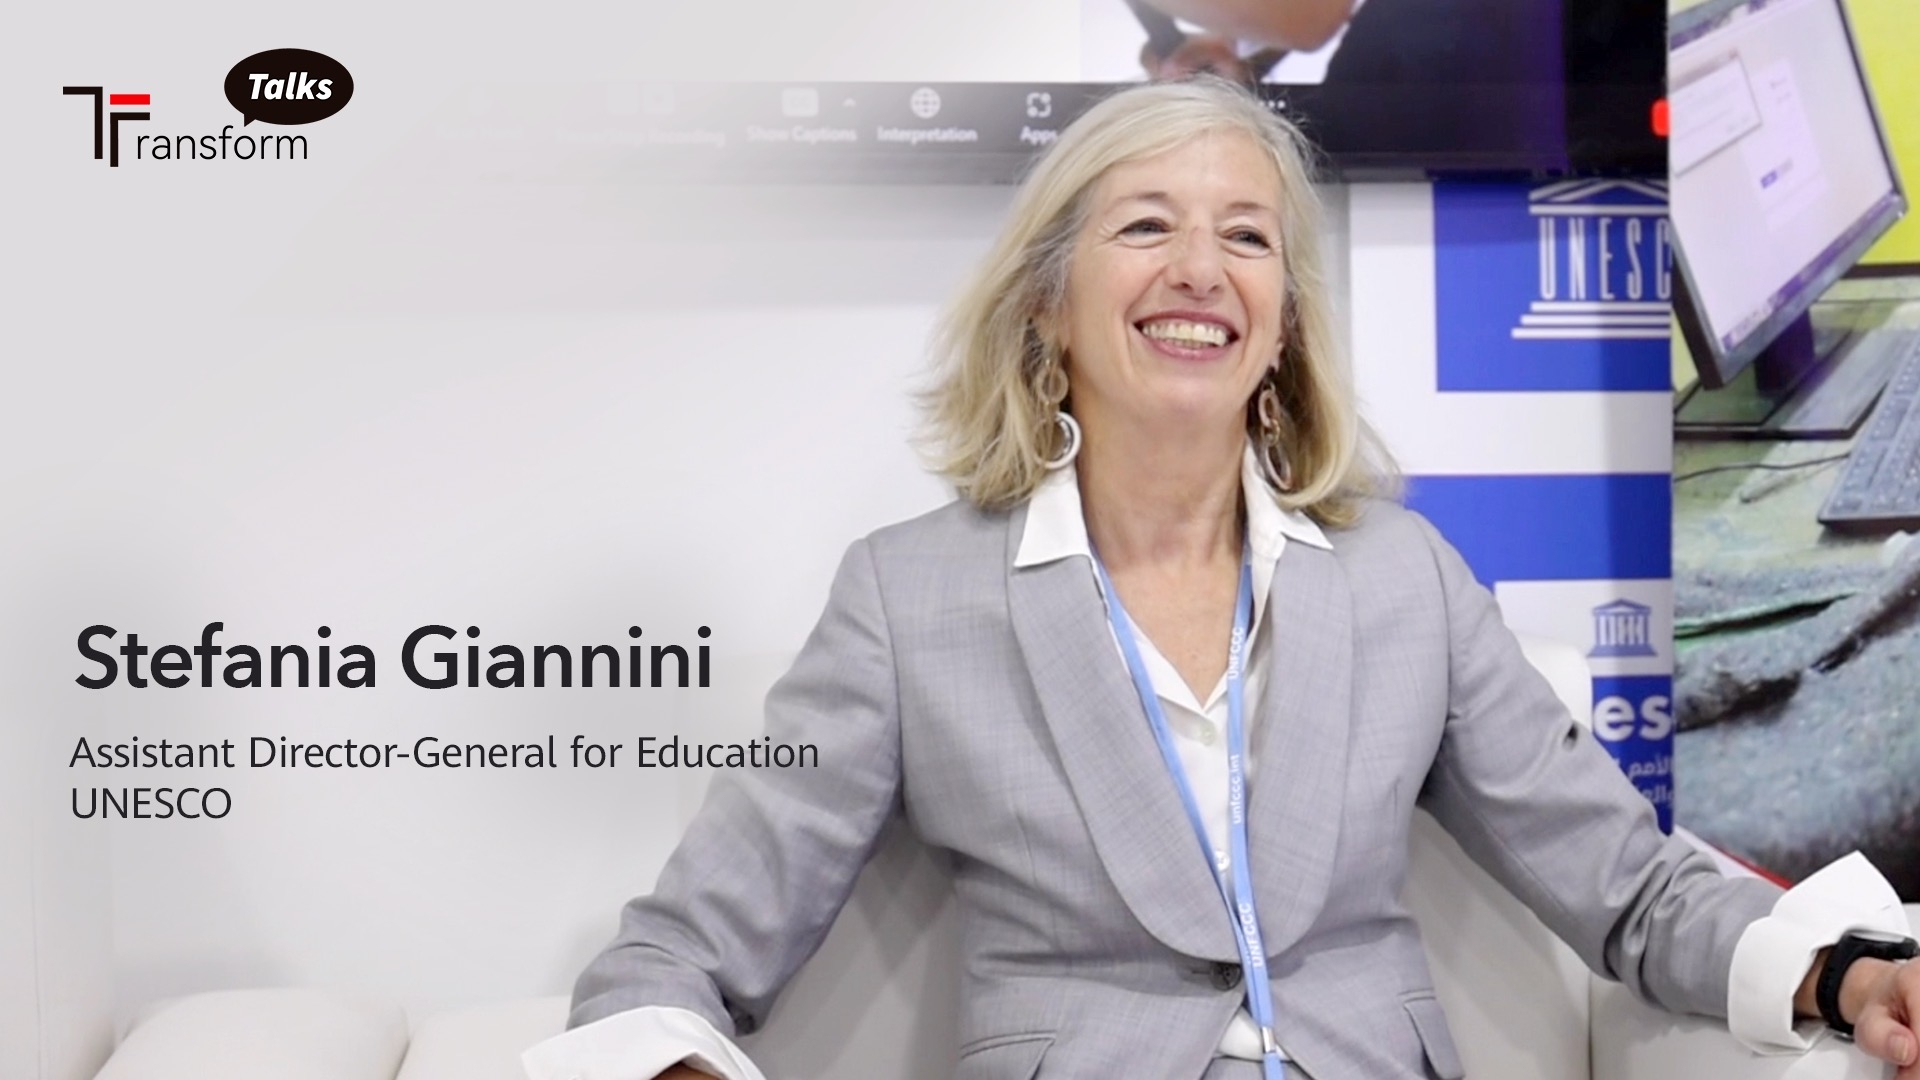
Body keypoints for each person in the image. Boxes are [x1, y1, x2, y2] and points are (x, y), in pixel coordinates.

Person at [524, 78, 1920, 1080]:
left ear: (1283, 325)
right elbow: (673, 957)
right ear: (1047, 303)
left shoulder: (1406, 579)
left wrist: (1850, 971)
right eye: (1145, 227)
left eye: (1247, 236)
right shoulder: (909, 599)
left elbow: (1628, 888)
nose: (1200, 269)